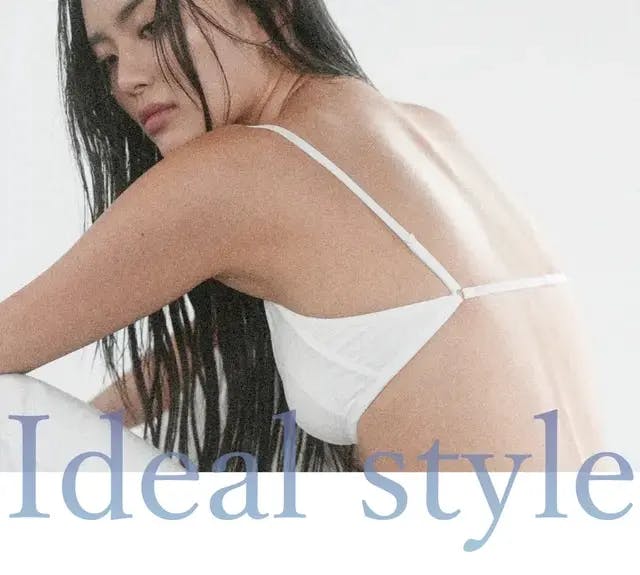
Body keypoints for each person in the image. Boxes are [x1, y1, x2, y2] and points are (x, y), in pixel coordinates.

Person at [0, 0, 604, 472]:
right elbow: (218, 344)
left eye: (153, 27)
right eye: (106, 59)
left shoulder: (235, 173)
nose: (127, 79)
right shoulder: (426, 134)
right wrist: (98, 419)